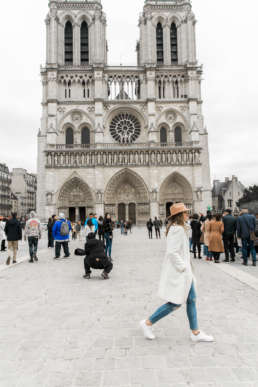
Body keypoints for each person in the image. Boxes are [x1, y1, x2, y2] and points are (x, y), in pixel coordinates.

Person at [140, 203, 214, 343]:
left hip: (185, 272)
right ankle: (148, 323)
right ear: (180, 215)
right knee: (175, 303)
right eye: (185, 213)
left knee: (191, 299)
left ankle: (195, 332)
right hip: (181, 272)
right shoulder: (177, 230)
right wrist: (183, 268)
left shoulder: (180, 228)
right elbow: (172, 252)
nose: (188, 214)